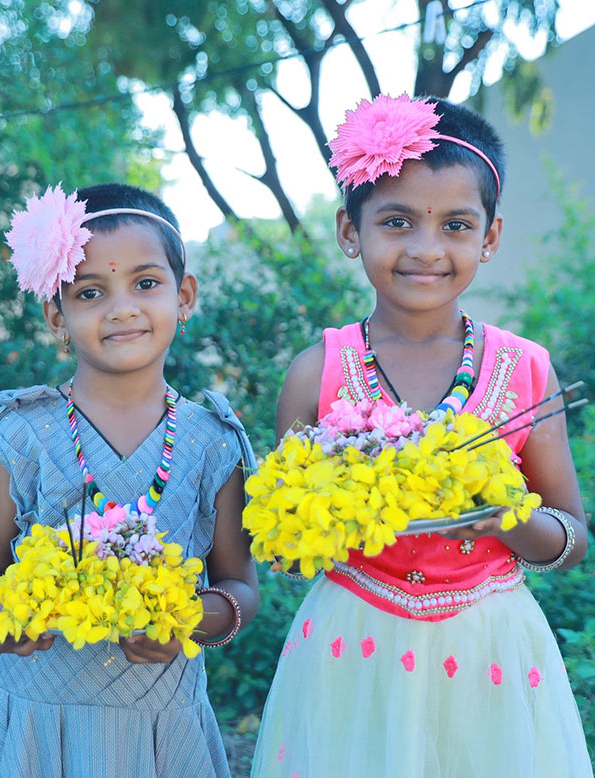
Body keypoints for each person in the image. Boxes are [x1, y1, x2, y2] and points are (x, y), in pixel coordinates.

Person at [250, 95, 592, 777]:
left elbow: (573, 538)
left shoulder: (526, 369)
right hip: (352, 647)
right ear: (351, 231)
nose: (426, 248)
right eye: (397, 221)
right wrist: (315, 525)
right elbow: (280, 543)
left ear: (489, 238)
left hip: (491, 646)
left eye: (456, 225)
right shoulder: (316, 373)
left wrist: (507, 521)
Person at [0, 182, 259, 778]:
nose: (122, 308)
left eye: (146, 284)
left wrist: (190, 620)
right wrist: (1, 614)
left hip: (162, 729)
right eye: (91, 292)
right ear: (56, 316)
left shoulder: (215, 442)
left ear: (185, 295)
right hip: (39, 728)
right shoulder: (17, 435)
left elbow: (239, 586)